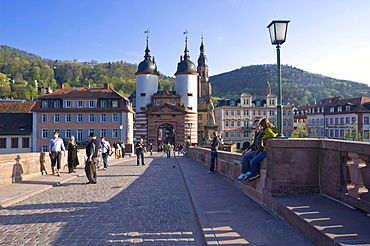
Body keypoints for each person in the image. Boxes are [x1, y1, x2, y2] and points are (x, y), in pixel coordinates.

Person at [244, 118, 278, 183]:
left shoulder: (267, 130)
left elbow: (272, 135)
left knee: (252, 162)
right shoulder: (269, 129)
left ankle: (252, 175)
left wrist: (264, 138)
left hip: (266, 151)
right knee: (254, 156)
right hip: (266, 149)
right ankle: (256, 172)